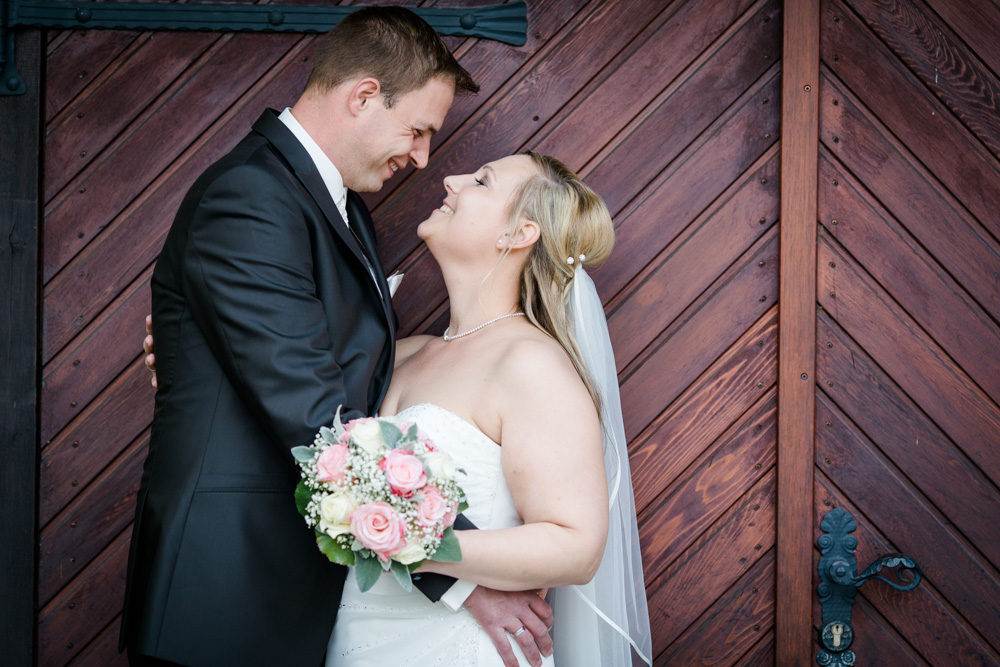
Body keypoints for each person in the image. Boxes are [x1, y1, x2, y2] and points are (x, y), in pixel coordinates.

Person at [121, 8, 556, 667]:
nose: (421, 156)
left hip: (291, 598)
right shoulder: (252, 198)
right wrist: (465, 582)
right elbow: (317, 419)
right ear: (362, 97)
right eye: (417, 129)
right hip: (225, 598)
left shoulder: (337, 206)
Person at [326, 151, 653, 665]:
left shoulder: (531, 364)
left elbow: (575, 546)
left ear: (518, 234)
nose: (451, 181)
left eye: (481, 180)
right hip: (356, 635)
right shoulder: (404, 353)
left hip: (459, 648)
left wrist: (411, 539)